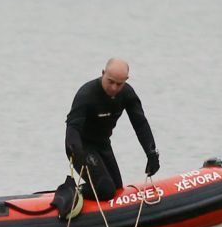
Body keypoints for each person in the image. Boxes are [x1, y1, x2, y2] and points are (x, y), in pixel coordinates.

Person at [64, 58, 159, 201]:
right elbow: (73, 127)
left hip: (102, 144)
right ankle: (72, 192)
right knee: (105, 190)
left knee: (117, 187)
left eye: (119, 84)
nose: (114, 87)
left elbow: (140, 123)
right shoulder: (86, 94)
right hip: (81, 146)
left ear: (126, 80)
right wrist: (78, 153)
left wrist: (151, 152)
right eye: (110, 81)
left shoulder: (127, 94)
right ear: (103, 73)